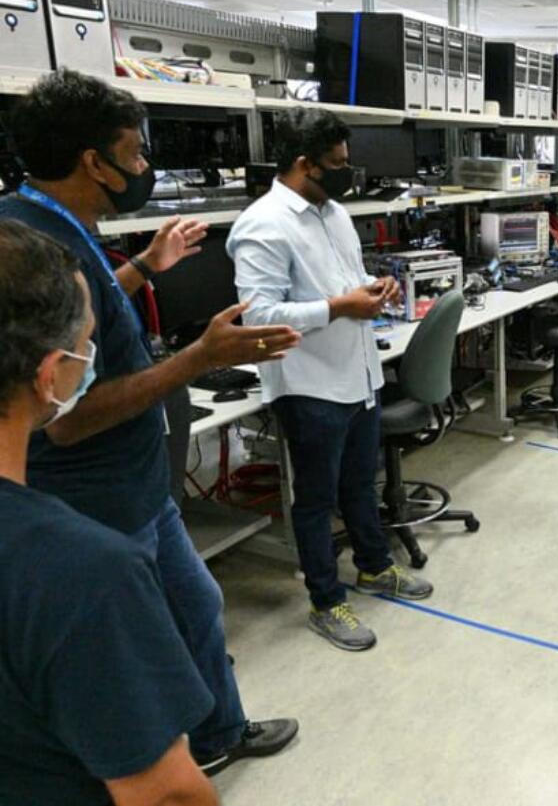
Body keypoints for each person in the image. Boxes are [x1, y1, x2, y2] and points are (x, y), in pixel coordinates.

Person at [0, 68, 300, 774]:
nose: (143, 169)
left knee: (197, 602)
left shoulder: (50, 225)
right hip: (98, 494)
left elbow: (80, 321)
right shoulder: (44, 244)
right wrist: (200, 355)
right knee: (153, 632)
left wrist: (142, 265)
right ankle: (161, 758)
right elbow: (64, 418)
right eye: (134, 154)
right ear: (90, 162)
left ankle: (219, 730)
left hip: (137, 484)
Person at [0, 221, 218, 806]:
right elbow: (169, 795)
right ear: (50, 376)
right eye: (87, 344)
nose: (92, 358)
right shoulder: (80, 571)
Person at [229, 107, 432, 652]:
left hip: (358, 374)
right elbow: (259, 316)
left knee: (360, 484)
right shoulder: (264, 225)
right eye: (337, 163)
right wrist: (338, 307)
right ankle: (325, 600)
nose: (348, 172)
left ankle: (373, 567)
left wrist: (373, 287)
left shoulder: (332, 211)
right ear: (303, 164)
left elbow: (345, 279)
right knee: (316, 500)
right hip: (308, 385)